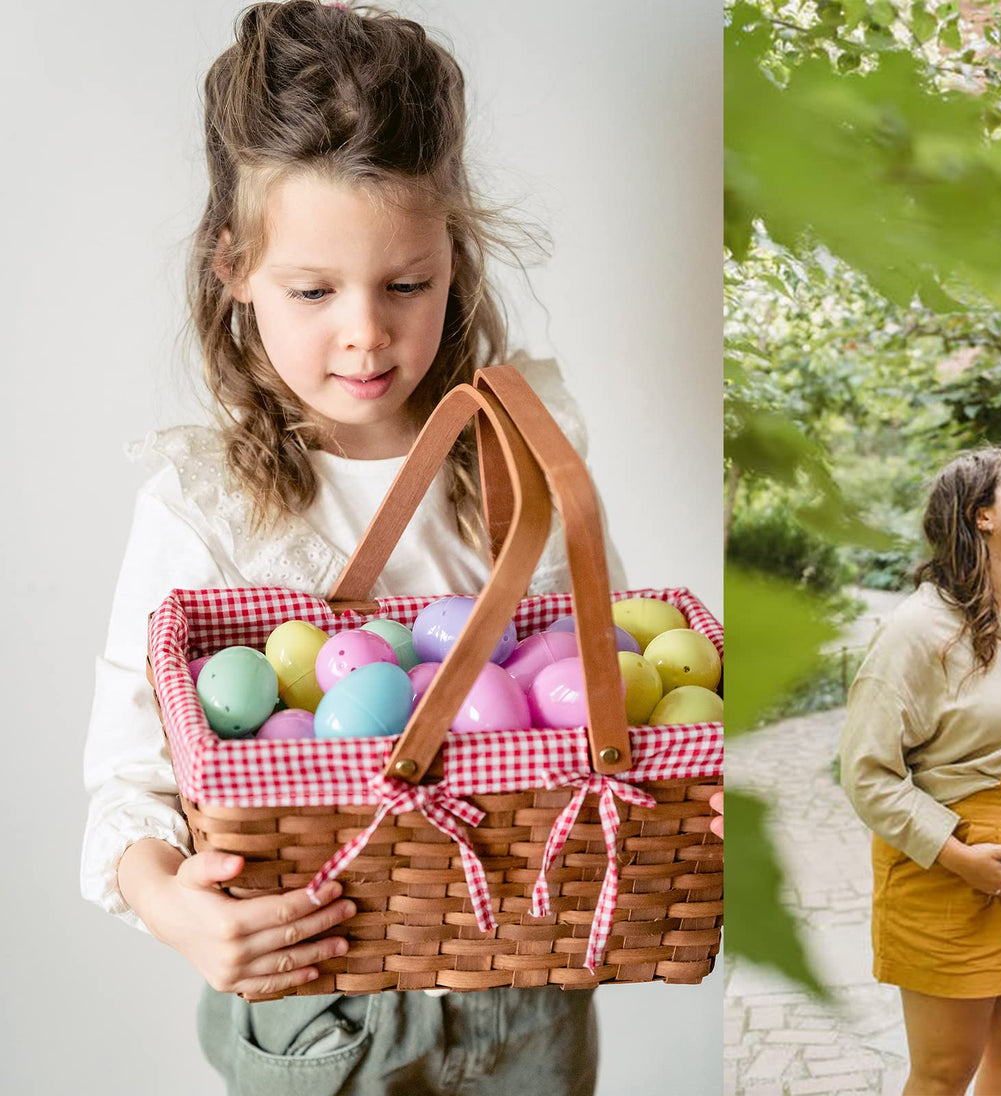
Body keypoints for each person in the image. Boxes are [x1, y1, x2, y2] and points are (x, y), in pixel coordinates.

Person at [79, 3, 720, 1093]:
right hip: (322, 995)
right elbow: (127, 777)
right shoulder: (206, 504)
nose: (366, 331)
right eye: (314, 290)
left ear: (454, 259)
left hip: (523, 978)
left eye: (405, 283)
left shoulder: (519, 444)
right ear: (234, 267)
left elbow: (579, 673)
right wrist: (170, 904)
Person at [839, 447, 1001, 1096]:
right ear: (980, 515)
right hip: (950, 878)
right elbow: (867, 773)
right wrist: (956, 855)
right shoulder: (916, 632)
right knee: (942, 1073)